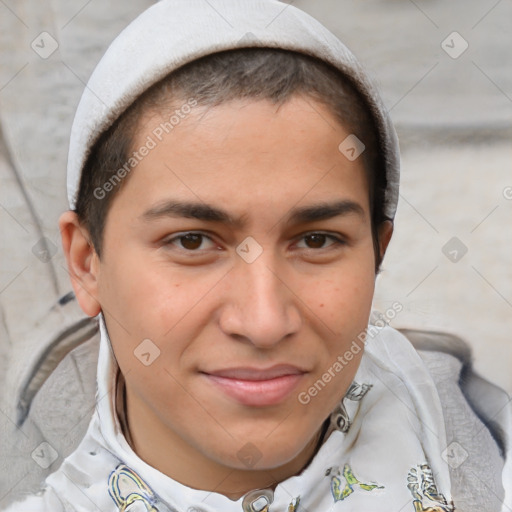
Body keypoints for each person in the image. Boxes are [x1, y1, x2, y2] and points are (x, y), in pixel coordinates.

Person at [2, 0, 510, 510]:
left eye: (316, 240)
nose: (264, 322)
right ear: (88, 263)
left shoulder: (483, 457)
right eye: (193, 241)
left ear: (378, 252)